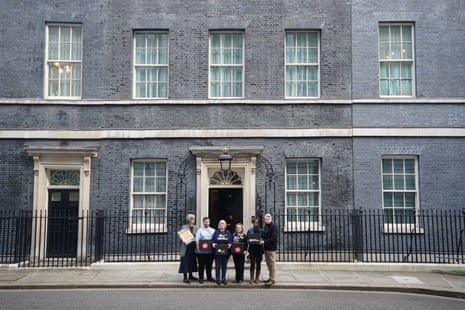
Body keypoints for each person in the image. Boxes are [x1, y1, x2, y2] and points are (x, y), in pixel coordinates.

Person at [178, 214, 198, 284]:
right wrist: (183, 238)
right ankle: (185, 277)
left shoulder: (195, 227)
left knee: (192, 261)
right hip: (186, 247)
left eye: (193, 218)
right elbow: (181, 236)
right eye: (191, 218)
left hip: (193, 246)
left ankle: (191, 275)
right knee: (185, 261)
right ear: (188, 219)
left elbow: (197, 236)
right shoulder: (184, 227)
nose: (193, 220)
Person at [195, 217, 215, 283]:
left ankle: (209, 277)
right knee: (201, 265)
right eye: (205, 221)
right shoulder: (199, 230)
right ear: (203, 222)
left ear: (209, 222)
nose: (206, 223)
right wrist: (197, 247)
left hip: (210, 251)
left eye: (208, 221)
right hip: (201, 251)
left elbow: (214, 239)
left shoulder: (213, 230)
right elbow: (197, 239)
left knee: (209, 265)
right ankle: (201, 278)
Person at [212, 219, 232, 285]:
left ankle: (223, 279)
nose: (222, 225)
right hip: (217, 252)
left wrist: (230, 244)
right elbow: (213, 240)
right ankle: (218, 279)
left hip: (225, 252)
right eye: (220, 223)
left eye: (223, 223)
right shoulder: (216, 232)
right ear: (218, 225)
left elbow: (230, 240)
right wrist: (213, 244)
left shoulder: (228, 232)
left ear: (225, 225)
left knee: (224, 266)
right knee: (217, 266)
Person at [261, 213, 277, 287]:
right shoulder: (265, 226)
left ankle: (272, 279)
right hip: (266, 248)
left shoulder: (273, 227)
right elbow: (264, 235)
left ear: (271, 219)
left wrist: (264, 241)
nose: (267, 220)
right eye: (266, 219)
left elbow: (273, 238)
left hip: (271, 248)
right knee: (268, 264)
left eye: (268, 219)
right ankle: (270, 278)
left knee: (272, 264)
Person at [247, 218, 264, 284]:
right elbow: (248, 238)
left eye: (257, 223)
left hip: (259, 249)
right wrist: (249, 241)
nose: (255, 224)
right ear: (253, 223)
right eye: (254, 222)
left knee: (258, 264)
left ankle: (257, 278)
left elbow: (263, 238)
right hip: (252, 249)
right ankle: (251, 278)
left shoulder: (262, 231)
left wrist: (262, 241)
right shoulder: (250, 230)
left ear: (259, 223)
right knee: (252, 264)